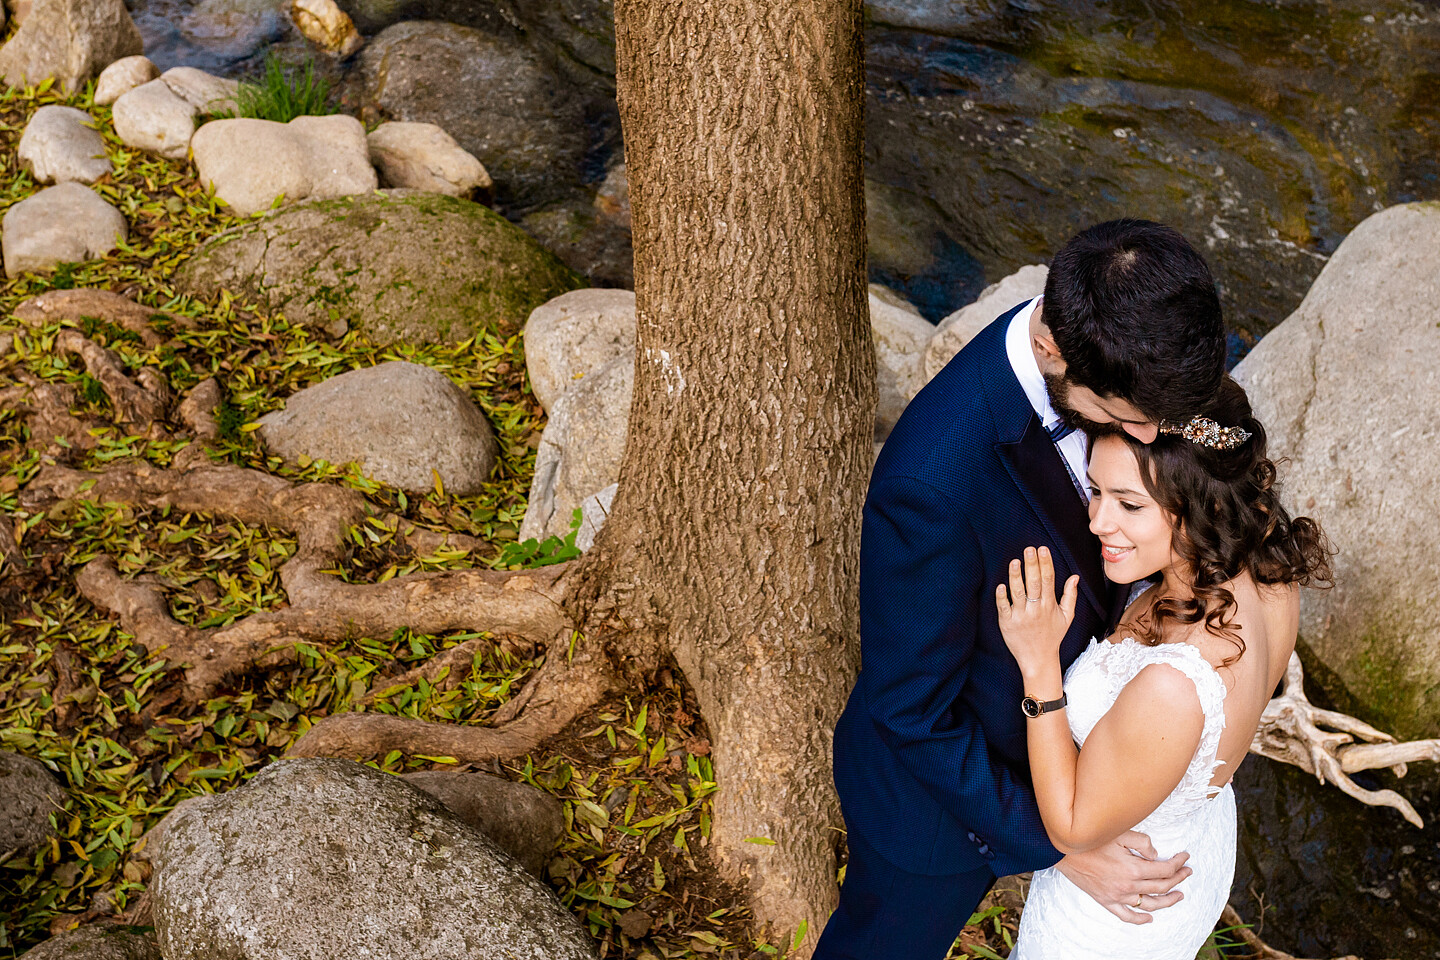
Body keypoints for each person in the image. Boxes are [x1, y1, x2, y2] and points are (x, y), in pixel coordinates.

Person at [814, 219, 1228, 960]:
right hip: (936, 820)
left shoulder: (1126, 342)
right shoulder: (930, 482)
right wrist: (1060, 843)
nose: (1149, 440)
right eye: (1129, 424)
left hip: (1075, 755)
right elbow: (911, 710)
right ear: (1050, 352)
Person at [996, 378, 1331, 959]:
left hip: (1113, 916)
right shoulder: (1264, 561)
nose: (1098, 521)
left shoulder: (1173, 687)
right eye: (1095, 490)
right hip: (1191, 845)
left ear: (1196, 507)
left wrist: (1039, 666)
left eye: (1128, 504)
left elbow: (1072, 830)